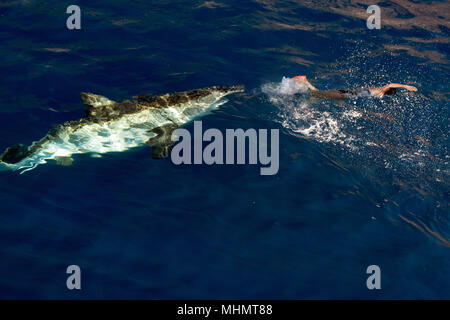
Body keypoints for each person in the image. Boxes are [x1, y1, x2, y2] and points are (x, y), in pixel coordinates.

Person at [292, 75, 418, 99]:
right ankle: (305, 81)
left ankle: (305, 86)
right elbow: (390, 85)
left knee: (322, 95)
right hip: (349, 94)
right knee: (321, 95)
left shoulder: (378, 89)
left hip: (350, 92)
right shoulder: (381, 91)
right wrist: (406, 86)